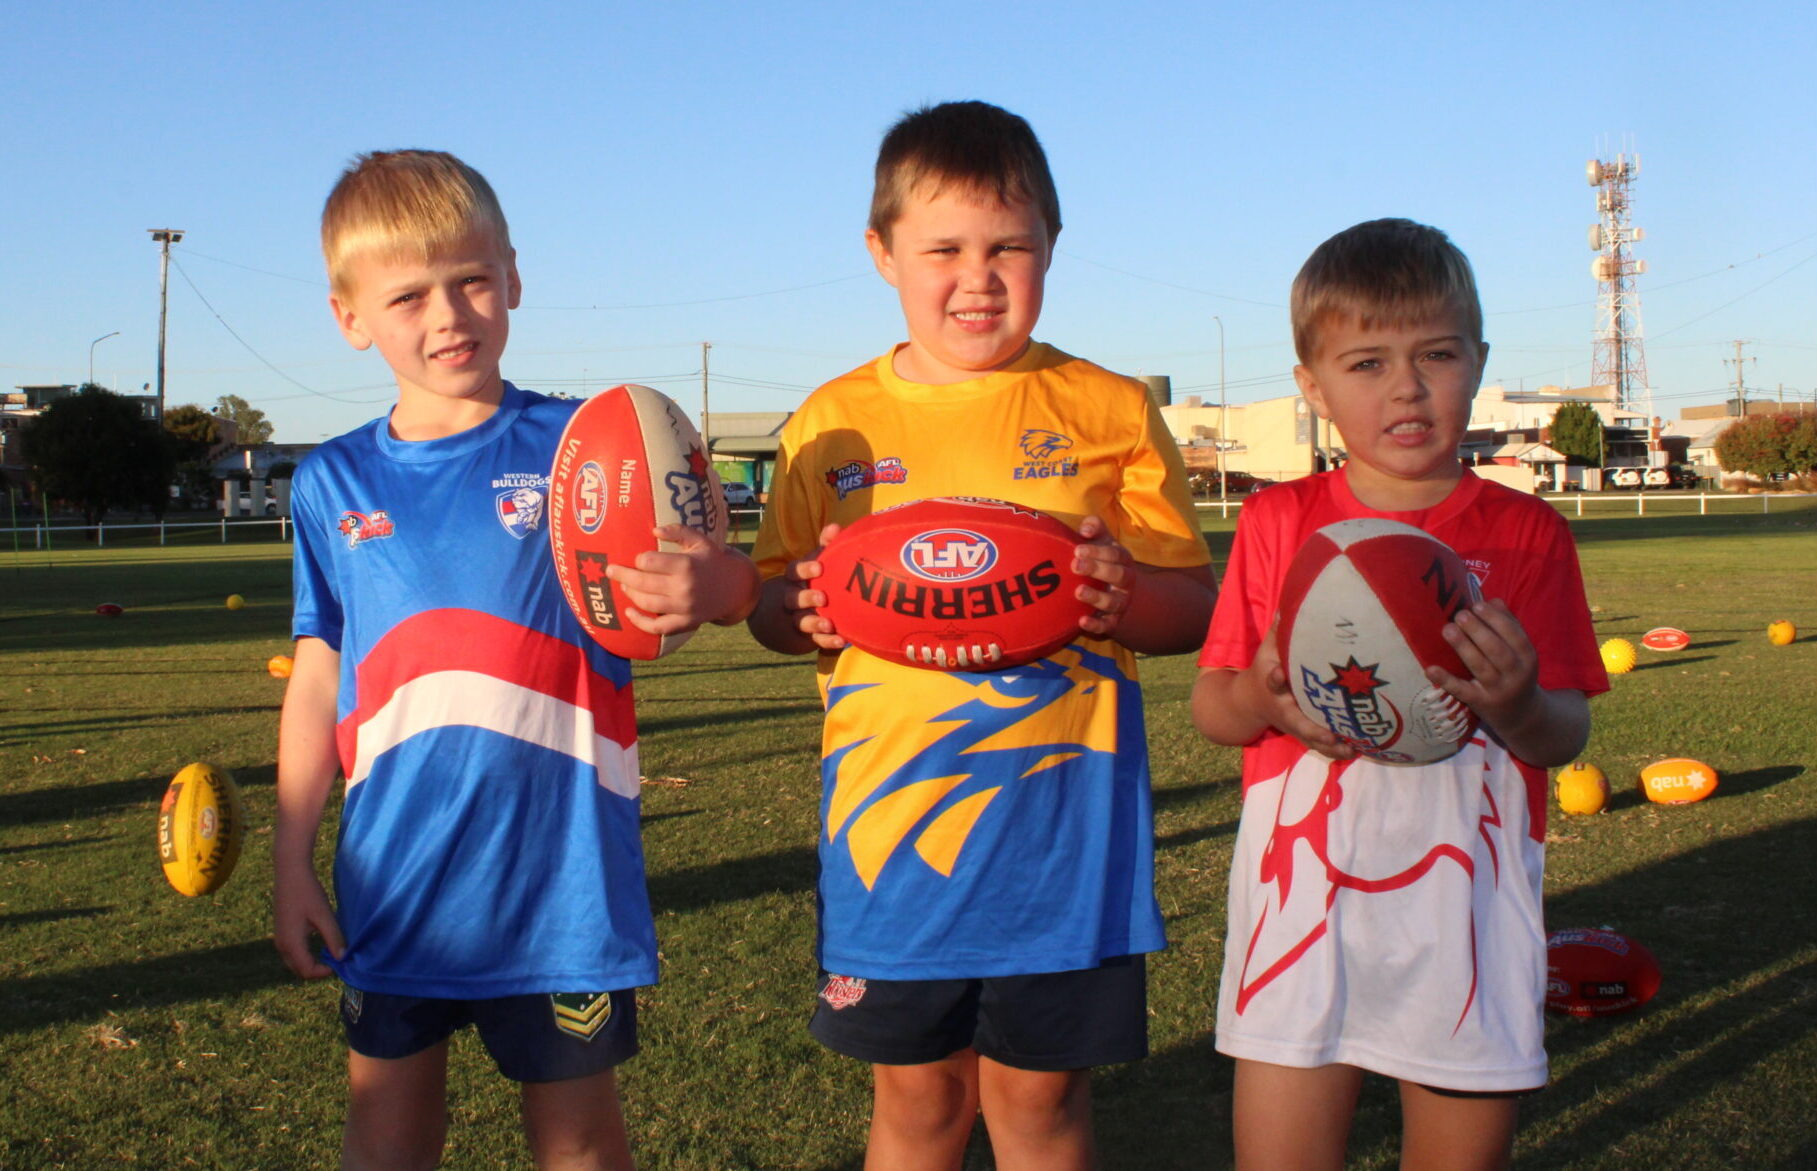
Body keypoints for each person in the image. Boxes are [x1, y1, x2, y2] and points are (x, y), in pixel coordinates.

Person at [747, 101, 1217, 1170]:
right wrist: (800, 608)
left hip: (1061, 837)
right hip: (892, 829)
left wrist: (1114, 592)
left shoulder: (1103, 406)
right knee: (914, 1106)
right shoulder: (830, 423)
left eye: (1009, 246)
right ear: (881, 254)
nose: (978, 276)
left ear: (1051, 245)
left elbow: (1190, 605)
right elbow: (770, 605)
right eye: (942, 249)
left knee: (1041, 1106)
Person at [272, 149, 757, 1171]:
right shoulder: (329, 482)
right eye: (407, 294)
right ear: (350, 316)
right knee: (388, 1130)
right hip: (395, 877)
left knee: (578, 1140)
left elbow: (713, 577)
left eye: (472, 279)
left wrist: (711, 589)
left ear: (514, 279)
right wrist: (289, 855)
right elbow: (320, 672)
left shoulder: (587, 444)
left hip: (559, 880)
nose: (447, 314)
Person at [1191, 218, 1608, 1171]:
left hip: (1465, 902)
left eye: (1436, 355)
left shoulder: (1529, 533)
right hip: (1301, 904)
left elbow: (1562, 733)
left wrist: (1512, 703)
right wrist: (1262, 694)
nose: (1407, 387)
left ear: (1479, 360)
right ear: (1311, 384)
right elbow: (1212, 710)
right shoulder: (1276, 519)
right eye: (1367, 362)